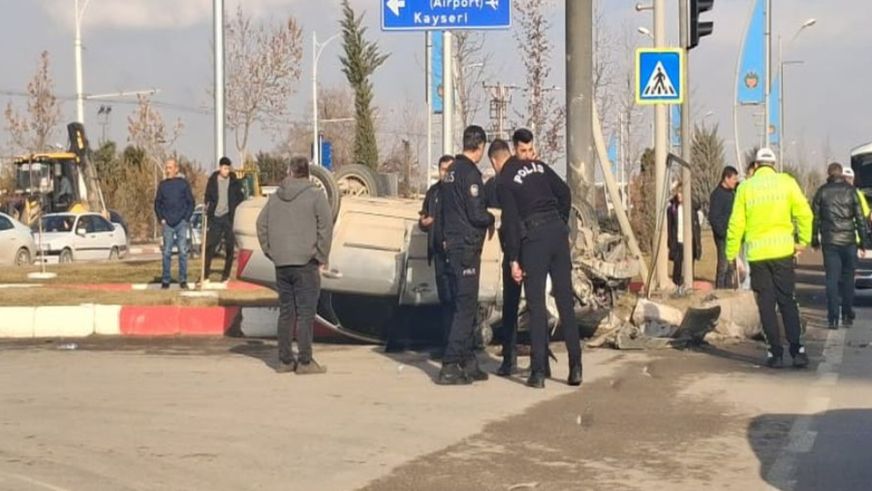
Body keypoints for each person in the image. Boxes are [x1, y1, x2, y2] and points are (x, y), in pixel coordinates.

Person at [494, 141, 581, 389]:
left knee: (536, 305)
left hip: (534, 239)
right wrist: (561, 221)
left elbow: (511, 223)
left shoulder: (505, 180)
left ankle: (538, 372)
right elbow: (564, 192)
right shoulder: (539, 166)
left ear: (496, 161)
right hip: (558, 234)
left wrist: (513, 259)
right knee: (565, 302)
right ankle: (575, 367)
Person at [726, 148, 813, 369]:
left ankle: (775, 352)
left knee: (766, 305)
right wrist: (803, 241)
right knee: (787, 301)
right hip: (783, 252)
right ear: (774, 165)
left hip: (758, 255)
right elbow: (804, 213)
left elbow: (736, 223)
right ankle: (797, 350)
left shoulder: (745, 188)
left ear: (755, 165)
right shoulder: (787, 183)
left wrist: (731, 254)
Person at [256, 156, 333, 374]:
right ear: (307, 173)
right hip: (306, 262)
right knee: (306, 314)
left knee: (286, 312)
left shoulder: (275, 197)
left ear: (290, 172)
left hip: (282, 263)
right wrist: (321, 256)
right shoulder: (316, 195)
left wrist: (271, 251)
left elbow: (261, 224)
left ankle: (285, 360)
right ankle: (305, 362)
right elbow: (326, 226)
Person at [437, 125, 495, 385]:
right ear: (480, 147)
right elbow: (476, 213)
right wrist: (490, 218)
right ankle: (450, 364)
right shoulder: (470, 174)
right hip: (467, 248)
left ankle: (468, 361)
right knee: (465, 306)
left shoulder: (450, 172)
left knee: (462, 306)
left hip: (453, 245)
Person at [811, 163, 871, 329]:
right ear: (841, 175)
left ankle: (832, 318)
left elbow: (815, 218)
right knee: (848, 279)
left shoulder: (822, 192)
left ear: (829, 174)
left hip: (830, 241)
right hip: (849, 241)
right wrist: (864, 242)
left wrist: (814, 239)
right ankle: (846, 314)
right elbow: (860, 218)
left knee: (831, 279)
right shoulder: (851, 191)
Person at [485, 139, 522, 376]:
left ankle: (510, 359)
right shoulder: (529, 174)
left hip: (510, 248)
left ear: (494, 160)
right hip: (535, 247)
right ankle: (542, 364)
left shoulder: (497, 182)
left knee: (510, 306)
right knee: (536, 306)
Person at [415, 154, 454, 355]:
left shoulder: (457, 191)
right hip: (438, 252)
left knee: (455, 299)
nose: (445, 173)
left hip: (455, 253)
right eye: (443, 169)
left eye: (449, 170)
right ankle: (445, 343)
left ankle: (457, 345)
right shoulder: (433, 192)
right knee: (444, 299)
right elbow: (423, 217)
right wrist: (424, 223)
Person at [154, 158, 195, 290]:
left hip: (181, 223)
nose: (168, 170)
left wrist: (186, 218)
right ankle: (166, 280)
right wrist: (161, 218)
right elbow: (157, 203)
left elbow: (191, 202)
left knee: (183, 252)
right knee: (167, 252)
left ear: (176, 169)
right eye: (166, 167)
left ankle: (183, 280)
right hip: (167, 224)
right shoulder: (162, 185)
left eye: (170, 167)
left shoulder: (183, 184)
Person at [203, 157, 245, 283]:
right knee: (210, 247)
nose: (227, 171)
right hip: (215, 217)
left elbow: (240, 197)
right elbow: (207, 196)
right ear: (220, 168)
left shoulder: (234, 182)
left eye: (228, 168)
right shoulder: (212, 181)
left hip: (228, 218)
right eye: (225, 168)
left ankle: (225, 275)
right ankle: (205, 275)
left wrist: (235, 208)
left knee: (230, 247)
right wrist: (207, 206)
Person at [708, 166, 740, 288]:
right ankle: (720, 290)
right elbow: (713, 217)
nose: (735, 182)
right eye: (733, 179)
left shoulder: (732, 194)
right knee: (723, 266)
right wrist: (722, 232)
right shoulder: (717, 195)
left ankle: (729, 289)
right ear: (726, 178)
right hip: (723, 236)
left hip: (732, 234)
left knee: (731, 267)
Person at [666, 182, 702, 287]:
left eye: (681, 193)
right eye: (678, 193)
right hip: (678, 242)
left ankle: (688, 286)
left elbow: (697, 227)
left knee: (689, 268)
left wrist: (697, 244)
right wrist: (671, 243)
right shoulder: (673, 208)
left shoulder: (693, 208)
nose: (679, 195)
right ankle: (676, 285)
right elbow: (670, 227)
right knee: (677, 267)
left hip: (690, 242)